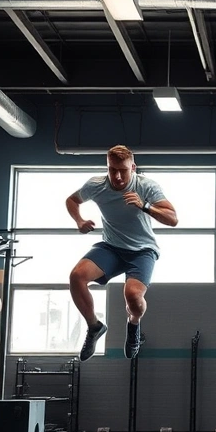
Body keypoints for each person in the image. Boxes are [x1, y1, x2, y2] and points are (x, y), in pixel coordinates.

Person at [66, 145, 179, 361]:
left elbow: (173, 219)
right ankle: (94, 326)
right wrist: (79, 220)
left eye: (123, 171)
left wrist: (145, 206)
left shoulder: (146, 186)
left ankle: (134, 324)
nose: (117, 177)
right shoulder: (96, 185)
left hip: (142, 251)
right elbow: (72, 200)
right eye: (112, 170)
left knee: (133, 297)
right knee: (76, 276)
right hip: (111, 247)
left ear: (133, 168)